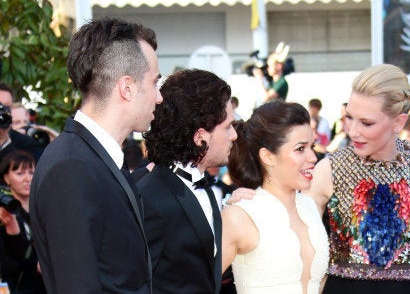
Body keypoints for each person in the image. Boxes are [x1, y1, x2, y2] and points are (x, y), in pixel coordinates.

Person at [229, 64, 410, 293]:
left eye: (366, 123)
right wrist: (252, 201)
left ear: (398, 122)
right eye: (349, 117)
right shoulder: (329, 169)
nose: (353, 131)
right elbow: (285, 234)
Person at [29, 18, 162, 293]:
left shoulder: (95, 159)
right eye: (154, 82)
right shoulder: (72, 167)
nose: (158, 97)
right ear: (127, 87)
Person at [137, 69, 236, 293]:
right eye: (227, 127)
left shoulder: (208, 190)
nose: (234, 135)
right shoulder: (150, 198)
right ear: (200, 136)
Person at [222, 101, 328, 293]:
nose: (313, 158)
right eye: (300, 149)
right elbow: (196, 284)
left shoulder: (309, 207)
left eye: (312, 147)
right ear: (268, 157)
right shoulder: (240, 214)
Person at [0, 151, 46, 293]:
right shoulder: (4, 213)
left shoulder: (43, 211)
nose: (27, 179)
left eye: (31, 173)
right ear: (6, 178)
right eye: (20, 174)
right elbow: (8, 262)